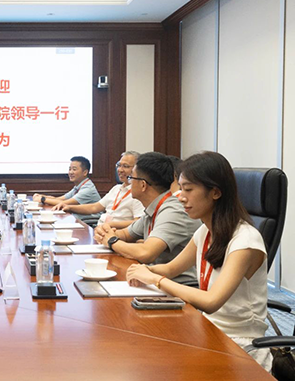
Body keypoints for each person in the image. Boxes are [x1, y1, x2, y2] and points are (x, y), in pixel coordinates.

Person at [126, 151, 272, 371]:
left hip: (241, 348)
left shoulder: (245, 240)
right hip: (207, 330)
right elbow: (171, 268)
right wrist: (142, 270)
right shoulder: (205, 231)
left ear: (215, 192)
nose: (180, 196)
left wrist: (156, 280)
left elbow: (212, 301)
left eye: (188, 189)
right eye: (180, 188)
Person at [94, 152, 199, 282]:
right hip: (154, 280)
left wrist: (111, 241)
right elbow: (126, 234)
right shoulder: (154, 208)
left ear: (143, 185)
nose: (129, 183)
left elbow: (146, 253)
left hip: (178, 287)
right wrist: (105, 233)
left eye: (131, 178)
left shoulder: (173, 211)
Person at [56, 151, 144, 228]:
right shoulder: (116, 189)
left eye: (125, 166)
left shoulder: (138, 193)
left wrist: (111, 225)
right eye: (119, 165)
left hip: (116, 233)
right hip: (100, 230)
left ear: (136, 169)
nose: (120, 170)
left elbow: (138, 222)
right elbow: (94, 207)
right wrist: (69, 207)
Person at [33, 156, 101, 222]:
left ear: (85, 172)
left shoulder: (88, 189)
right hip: (78, 219)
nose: (70, 172)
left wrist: (43, 199)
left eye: (74, 169)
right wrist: (42, 196)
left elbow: (64, 203)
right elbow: (59, 199)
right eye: (70, 169)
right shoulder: (79, 186)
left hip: (90, 223)